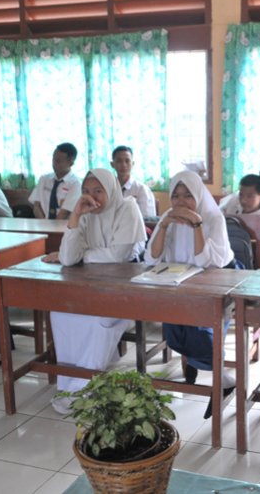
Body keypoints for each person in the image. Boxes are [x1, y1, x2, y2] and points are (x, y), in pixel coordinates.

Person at [47, 169, 147, 414]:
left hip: (123, 290)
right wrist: (75, 217)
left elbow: (118, 255)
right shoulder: (84, 213)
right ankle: (70, 383)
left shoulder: (127, 208)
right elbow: (69, 259)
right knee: (61, 314)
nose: (92, 197)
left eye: (98, 191)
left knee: (98, 320)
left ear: (111, 189)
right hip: (88, 288)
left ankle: (82, 389)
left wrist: (83, 256)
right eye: (86, 191)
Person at [144, 170, 235, 418]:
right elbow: (151, 257)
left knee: (202, 336)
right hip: (176, 285)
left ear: (198, 195)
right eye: (176, 196)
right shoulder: (168, 218)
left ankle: (222, 381)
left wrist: (196, 225)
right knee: (174, 335)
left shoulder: (213, 219)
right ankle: (221, 378)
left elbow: (207, 262)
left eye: (188, 196)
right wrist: (163, 225)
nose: (181, 202)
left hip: (209, 286)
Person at [29, 143, 80, 220]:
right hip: (43, 225)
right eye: (53, 159)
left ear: (71, 163)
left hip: (64, 227)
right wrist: (44, 224)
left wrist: (52, 229)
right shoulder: (44, 179)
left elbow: (65, 213)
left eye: (58, 161)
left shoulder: (75, 184)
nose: (54, 164)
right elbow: (36, 205)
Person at [111, 145, 157, 218]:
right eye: (119, 161)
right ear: (112, 164)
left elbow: (148, 219)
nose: (123, 165)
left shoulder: (142, 189)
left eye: (127, 161)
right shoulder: (109, 188)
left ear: (132, 164)